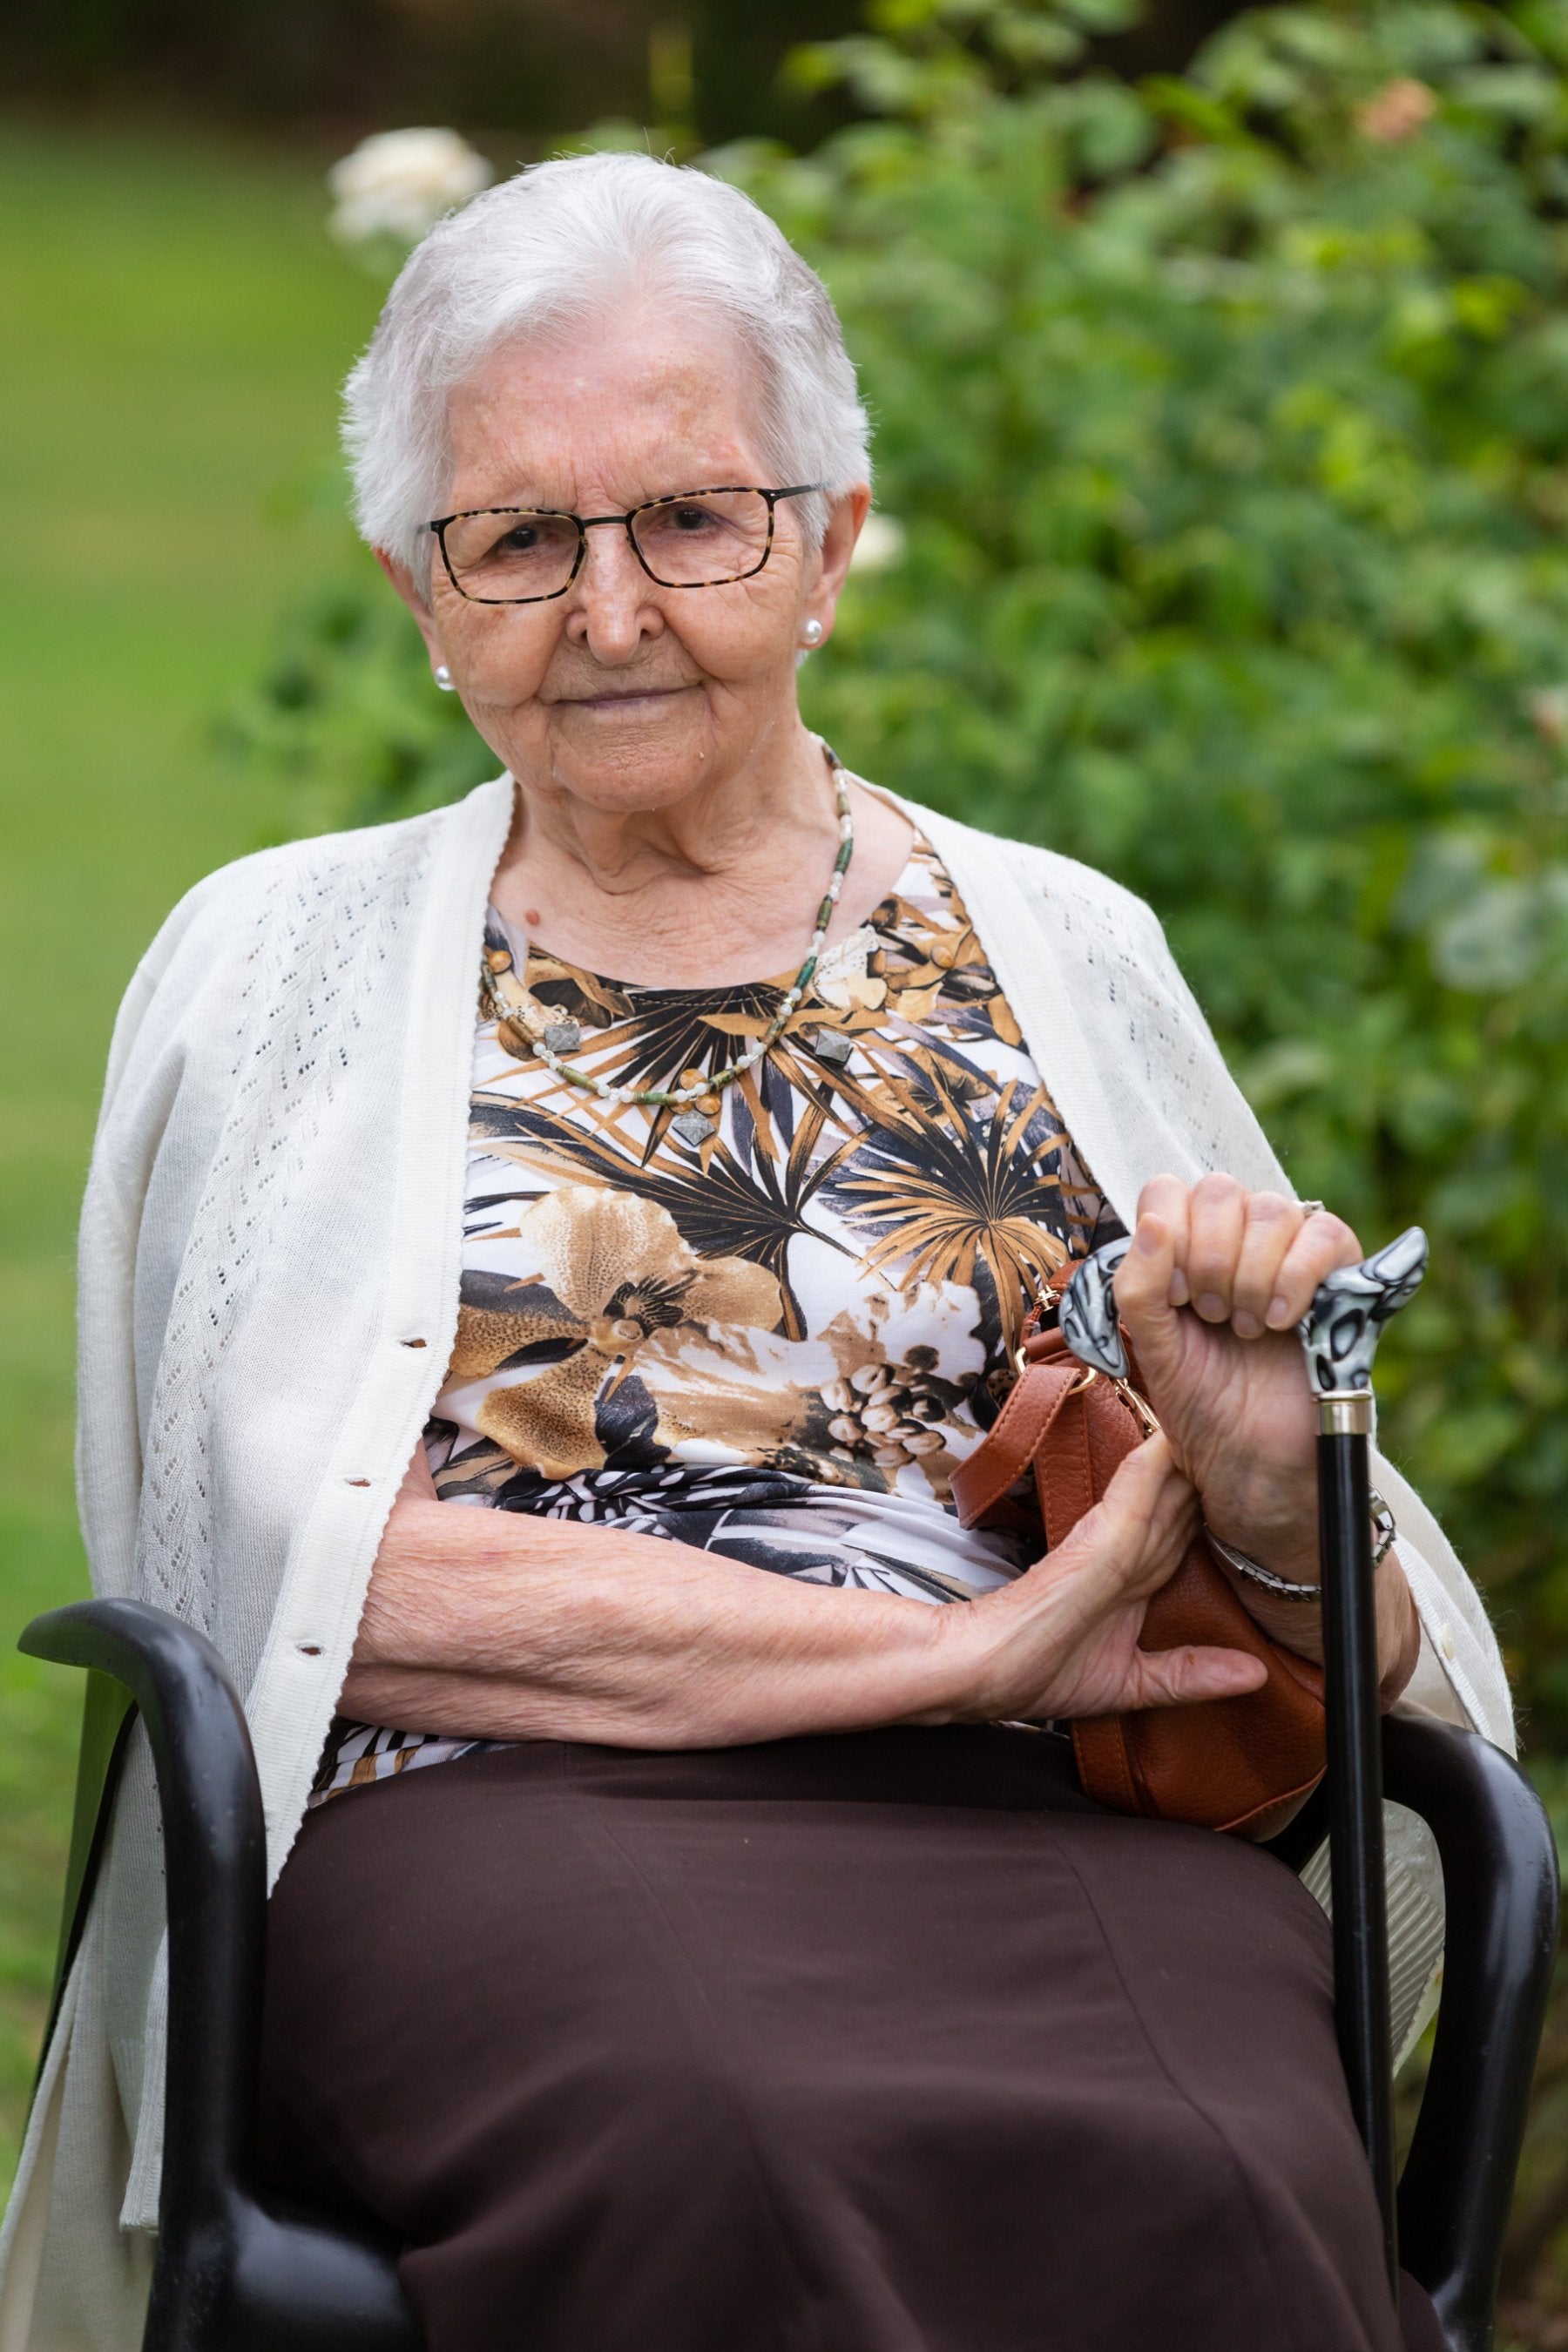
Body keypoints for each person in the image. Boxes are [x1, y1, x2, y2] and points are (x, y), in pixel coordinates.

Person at [0, 151, 1511, 2352]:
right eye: (517, 539)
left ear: (827, 544)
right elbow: (299, 1565)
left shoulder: (1064, 948)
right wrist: (957, 1657)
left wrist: (1273, 1470)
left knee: (1223, 2164)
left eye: (692, 521)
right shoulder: (282, 963)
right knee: (740, 2139)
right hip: (499, 1829)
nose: (608, 612)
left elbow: (1326, 1644)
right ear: (417, 593)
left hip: (1056, 1835)